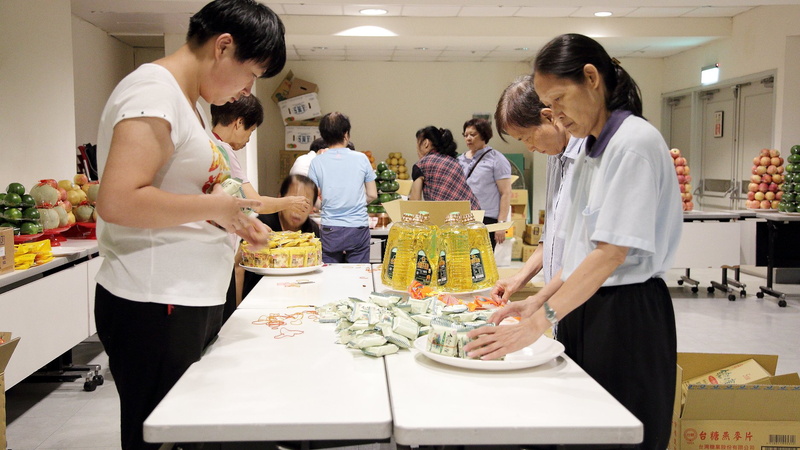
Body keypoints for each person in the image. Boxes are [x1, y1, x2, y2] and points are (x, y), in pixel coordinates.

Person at [466, 33, 682, 450]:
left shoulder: (633, 143)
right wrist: (533, 302)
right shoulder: (591, 151)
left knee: (620, 431)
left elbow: (610, 255)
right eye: (549, 106)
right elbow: (580, 250)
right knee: (580, 428)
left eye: (559, 100)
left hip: (627, 314)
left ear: (591, 78)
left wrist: (537, 321)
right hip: (588, 304)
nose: (556, 115)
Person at [92, 1, 285, 448]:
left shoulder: (186, 102)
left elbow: (182, 198)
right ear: (223, 47)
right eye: (250, 73)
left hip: (178, 298)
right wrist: (215, 211)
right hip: (154, 299)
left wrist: (230, 219)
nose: (245, 90)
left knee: (184, 429)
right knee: (162, 434)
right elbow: (119, 200)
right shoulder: (154, 93)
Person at [490, 75, 583, 307]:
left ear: (549, 116)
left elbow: (589, 251)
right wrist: (518, 279)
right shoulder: (555, 157)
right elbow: (551, 236)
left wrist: (541, 304)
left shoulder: (589, 157)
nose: (530, 147)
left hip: (584, 296)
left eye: (527, 137)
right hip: (559, 299)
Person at [227, 174, 321, 316]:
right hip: (257, 304)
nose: (298, 209)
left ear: (313, 208)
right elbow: (239, 267)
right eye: (294, 201)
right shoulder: (262, 225)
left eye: (305, 204)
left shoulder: (311, 232)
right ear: (280, 198)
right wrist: (237, 310)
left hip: (297, 305)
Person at [211, 96, 310, 215]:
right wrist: (290, 202)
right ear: (239, 123)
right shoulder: (224, 150)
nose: (248, 139)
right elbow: (256, 204)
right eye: (251, 131)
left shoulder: (207, 142)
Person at [308, 112, 377, 263]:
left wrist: (323, 206)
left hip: (330, 228)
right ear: (346, 134)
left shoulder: (316, 162)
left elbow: (311, 198)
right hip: (357, 226)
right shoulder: (361, 158)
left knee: (330, 276)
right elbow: (372, 195)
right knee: (358, 276)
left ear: (323, 135)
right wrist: (355, 201)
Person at [458, 117, 512, 248]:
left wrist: (501, 223)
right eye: (465, 135)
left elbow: (505, 193)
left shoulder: (496, 159)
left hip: (486, 217)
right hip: (462, 217)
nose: (468, 138)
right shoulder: (459, 159)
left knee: (481, 262)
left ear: (484, 134)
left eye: (473, 134)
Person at [409, 126, 480, 210]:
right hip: (473, 214)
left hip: (449, 217)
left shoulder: (421, 165)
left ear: (426, 143)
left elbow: (415, 202)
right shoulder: (452, 161)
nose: (417, 148)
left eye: (418, 143)